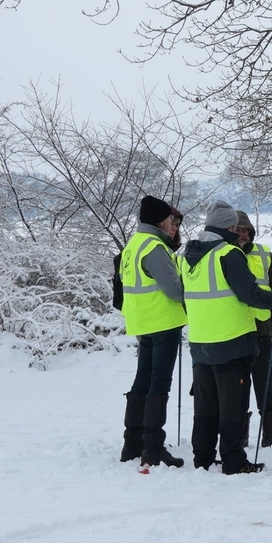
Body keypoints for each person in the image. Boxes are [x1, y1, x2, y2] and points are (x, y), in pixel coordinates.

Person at [180, 201, 272, 475]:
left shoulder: (188, 256)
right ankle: (233, 459)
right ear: (227, 226)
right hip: (232, 340)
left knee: (205, 404)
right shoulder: (228, 254)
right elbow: (250, 293)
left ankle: (202, 457)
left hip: (200, 341)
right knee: (233, 404)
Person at [118, 195, 188, 468]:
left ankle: (132, 443)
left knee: (142, 382)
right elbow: (174, 289)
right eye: (170, 219)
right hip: (163, 322)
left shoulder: (133, 245)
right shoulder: (154, 247)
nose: (173, 223)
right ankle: (153, 447)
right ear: (160, 221)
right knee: (159, 384)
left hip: (142, 323)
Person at [235, 211, 272, 449]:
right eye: (237, 229)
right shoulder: (225, 255)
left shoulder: (263, 253)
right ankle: (240, 434)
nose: (241, 234)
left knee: (264, 381)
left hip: (263, 327)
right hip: (236, 328)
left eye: (245, 229)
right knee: (239, 383)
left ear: (250, 231)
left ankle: (270, 433)